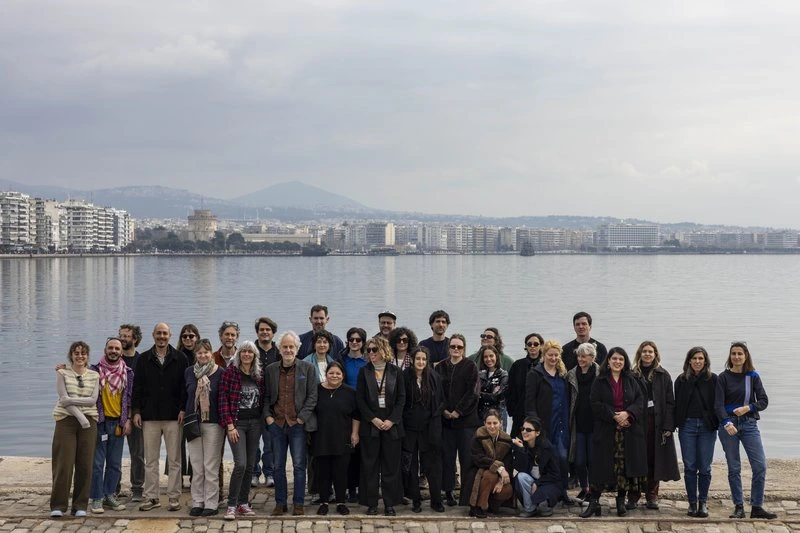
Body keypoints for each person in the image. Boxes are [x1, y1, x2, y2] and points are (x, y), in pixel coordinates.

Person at [580, 347, 647, 518]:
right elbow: (594, 403)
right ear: (608, 361)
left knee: (623, 468)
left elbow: (640, 401)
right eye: (614, 358)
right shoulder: (600, 381)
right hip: (605, 431)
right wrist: (613, 416)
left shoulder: (632, 380)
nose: (617, 362)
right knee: (600, 468)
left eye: (621, 359)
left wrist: (628, 414)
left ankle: (620, 501)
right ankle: (594, 503)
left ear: (624, 362)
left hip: (628, 431)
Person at [714, 342, 776, 520]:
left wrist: (748, 407)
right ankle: (739, 506)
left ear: (746, 356)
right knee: (734, 467)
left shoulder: (753, 376)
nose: (736, 357)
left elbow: (763, 401)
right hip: (728, 426)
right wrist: (726, 422)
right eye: (733, 354)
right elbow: (718, 405)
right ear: (730, 356)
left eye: (740, 354)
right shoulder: (723, 377)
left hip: (749, 424)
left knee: (760, 466)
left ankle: (757, 506)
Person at [132, 323, 188, 512]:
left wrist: (182, 409)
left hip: (174, 416)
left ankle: (174, 497)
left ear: (170, 335)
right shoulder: (143, 359)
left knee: (174, 460)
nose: (161, 337)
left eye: (165, 333)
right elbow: (137, 387)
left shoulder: (180, 358)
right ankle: (151, 496)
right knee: (151, 460)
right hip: (150, 416)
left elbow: (184, 388)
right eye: (158, 333)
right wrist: (137, 411)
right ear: (153, 335)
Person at [264, 331, 319, 517]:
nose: (288, 350)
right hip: (277, 424)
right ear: (279, 349)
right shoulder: (271, 369)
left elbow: (313, 395)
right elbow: (265, 396)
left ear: (297, 348)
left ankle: (298, 503)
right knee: (278, 465)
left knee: (298, 465)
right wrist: (268, 418)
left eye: (291, 347)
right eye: (285, 347)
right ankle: (280, 504)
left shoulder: (307, 368)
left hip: (298, 425)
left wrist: (302, 417)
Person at [356, 336, 406, 516]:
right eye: (368, 350)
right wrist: (373, 419)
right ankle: (372, 504)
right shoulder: (364, 371)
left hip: (391, 425)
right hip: (371, 425)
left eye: (374, 350)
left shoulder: (396, 372)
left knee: (391, 466)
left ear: (383, 350)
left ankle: (390, 503)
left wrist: (392, 420)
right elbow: (360, 399)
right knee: (370, 466)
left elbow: (402, 399)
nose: (370, 353)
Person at [628, 341, 680, 510]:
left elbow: (670, 402)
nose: (648, 354)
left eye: (651, 351)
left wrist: (668, 426)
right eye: (645, 351)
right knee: (636, 458)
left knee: (654, 458)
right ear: (639, 354)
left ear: (656, 354)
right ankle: (633, 495)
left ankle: (652, 494)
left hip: (656, 423)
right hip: (637, 422)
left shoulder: (663, 375)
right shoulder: (632, 374)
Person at [50, 341, 100, 518]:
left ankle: (80, 505)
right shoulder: (62, 373)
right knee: (63, 463)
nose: (80, 356)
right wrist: (80, 417)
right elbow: (63, 399)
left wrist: (72, 401)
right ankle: (58, 505)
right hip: (66, 420)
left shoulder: (95, 375)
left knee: (85, 465)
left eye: (83, 353)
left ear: (87, 356)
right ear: (71, 355)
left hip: (90, 421)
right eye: (76, 353)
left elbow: (93, 400)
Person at [219, 341, 265, 520]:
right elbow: (223, 400)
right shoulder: (231, 373)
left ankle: (243, 503)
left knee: (250, 465)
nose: (247, 354)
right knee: (240, 464)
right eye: (244, 351)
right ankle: (231, 505)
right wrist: (229, 425)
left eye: (250, 352)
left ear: (254, 356)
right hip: (237, 425)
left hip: (255, 424)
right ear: (239, 354)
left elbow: (263, 399)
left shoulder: (258, 375)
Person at [524, 340, 573, 504]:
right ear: (543, 355)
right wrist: (534, 426)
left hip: (561, 424)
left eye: (556, 355)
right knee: (547, 460)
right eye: (550, 355)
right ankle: (546, 493)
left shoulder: (562, 375)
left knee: (562, 458)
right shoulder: (535, 374)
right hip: (544, 425)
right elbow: (529, 402)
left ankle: (563, 492)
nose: (553, 358)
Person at [89, 337, 134, 514]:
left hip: (118, 423)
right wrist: (62, 370)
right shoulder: (94, 371)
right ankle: (97, 498)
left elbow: (129, 398)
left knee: (115, 464)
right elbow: (77, 375)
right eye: (110, 348)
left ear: (121, 352)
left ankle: (109, 495)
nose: (113, 351)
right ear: (105, 349)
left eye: (117, 348)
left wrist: (127, 419)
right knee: (97, 463)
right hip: (100, 422)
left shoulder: (128, 372)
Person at [436, 333, 479, 507]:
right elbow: (436, 391)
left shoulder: (470, 366)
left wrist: (458, 411)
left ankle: (467, 493)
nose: (456, 349)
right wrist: (445, 410)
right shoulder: (440, 367)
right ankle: (448, 492)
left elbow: (473, 393)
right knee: (447, 458)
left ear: (464, 348)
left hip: (466, 422)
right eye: (453, 346)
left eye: (459, 347)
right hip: (446, 422)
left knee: (466, 458)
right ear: (449, 348)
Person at [311, 361, 359, 516]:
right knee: (323, 472)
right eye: (331, 373)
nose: (334, 376)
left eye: (338, 373)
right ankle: (324, 501)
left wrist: (355, 433)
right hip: (322, 437)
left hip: (343, 437)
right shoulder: (317, 390)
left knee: (341, 472)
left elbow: (356, 415)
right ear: (326, 374)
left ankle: (340, 502)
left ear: (343, 375)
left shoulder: (350, 392)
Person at [674, 346, 717, 518]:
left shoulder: (713, 379)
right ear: (689, 361)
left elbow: (718, 402)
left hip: (707, 427)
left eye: (700, 358)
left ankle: (703, 502)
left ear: (705, 361)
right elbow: (676, 403)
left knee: (705, 467)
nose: (697, 361)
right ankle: (692, 503)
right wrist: (674, 424)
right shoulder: (681, 380)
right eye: (694, 358)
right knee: (690, 466)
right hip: (688, 426)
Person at [184, 338, 224, 517]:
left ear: (211, 353)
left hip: (214, 423)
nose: (203, 355)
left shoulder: (220, 373)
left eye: (206, 352)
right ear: (196, 355)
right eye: (199, 352)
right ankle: (197, 501)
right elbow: (184, 395)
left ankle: (211, 502)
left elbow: (224, 399)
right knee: (197, 465)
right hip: (193, 422)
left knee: (210, 465)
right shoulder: (188, 372)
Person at [402, 346, 445, 513]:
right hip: (410, 428)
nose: (420, 362)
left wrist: (434, 423)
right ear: (412, 360)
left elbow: (440, 401)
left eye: (423, 359)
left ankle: (436, 500)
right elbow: (401, 401)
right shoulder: (404, 376)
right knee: (411, 465)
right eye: (417, 358)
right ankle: (416, 500)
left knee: (432, 465)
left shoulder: (433, 377)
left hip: (429, 428)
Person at [460, 409, 513, 518]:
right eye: (489, 423)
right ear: (484, 424)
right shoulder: (478, 437)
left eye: (495, 423)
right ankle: (478, 506)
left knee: (507, 490)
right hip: (478, 472)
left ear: (501, 423)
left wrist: (501, 481)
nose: (492, 426)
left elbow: (508, 462)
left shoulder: (506, 440)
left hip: (497, 476)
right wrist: (499, 468)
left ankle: (493, 505)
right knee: (490, 475)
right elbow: (478, 458)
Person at [566, 342, 599, 502]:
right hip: (577, 423)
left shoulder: (600, 373)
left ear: (592, 357)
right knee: (579, 460)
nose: (580, 359)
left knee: (593, 460)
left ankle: (592, 490)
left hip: (595, 423)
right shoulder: (571, 374)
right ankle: (584, 487)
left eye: (583, 356)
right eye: (578, 356)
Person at [513, 417, 562, 517]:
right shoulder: (523, 446)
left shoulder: (547, 448)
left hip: (547, 483)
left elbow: (555, 475)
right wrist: (522, 450)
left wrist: (538, 483)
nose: (524, 432)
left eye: (529, 430)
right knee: (521, 476)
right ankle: (530, 508)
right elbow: (520, 469)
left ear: (537, 433)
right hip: (532, 481)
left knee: (544, 508)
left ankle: (543, 504)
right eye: (523, 429)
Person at [118, 323, 144, 502]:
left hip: (135, 413)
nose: (123, 339)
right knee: (114, 453)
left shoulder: (142, 361)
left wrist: (137, 412)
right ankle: (113, 487)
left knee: (137, 453)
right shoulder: (113, 358)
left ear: (135, 339)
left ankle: (137, 488)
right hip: (114, 412)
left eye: (127, 336)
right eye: (121, 335)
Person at [341, 326, 368, 503]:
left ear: (363, 343)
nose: (355, 343)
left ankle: (362, 487)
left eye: (358, 340)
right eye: (352, 339)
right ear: (348, 341)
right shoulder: (342, 360)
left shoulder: (368, 362)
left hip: (364, 410)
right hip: (346, 409)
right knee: (348, 449)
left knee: (363, 452)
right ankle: (349, 488)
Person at [252, 317, 279, 489]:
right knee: (254, 443)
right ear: (257, 332)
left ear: (273, 332)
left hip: (273, 406)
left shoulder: (279, 352)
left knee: (270, 443)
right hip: (253, 405)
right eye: (261, 329)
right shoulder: (250, 351)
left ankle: (269, 473)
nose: (264, 332)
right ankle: (254, 473)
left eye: (268, 329)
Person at [175, 324, 200, 484]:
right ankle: (177, 476)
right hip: (179, 406)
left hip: (196, 405)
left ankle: (193, 475)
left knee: (195, 442)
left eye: (191, 336)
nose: (188, 339)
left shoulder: (201, 356)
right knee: (178, 443)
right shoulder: (176, 356)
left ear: (197, 337)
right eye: (184, 336)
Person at [507, 333, 543, 438]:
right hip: (519, 412)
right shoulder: (517, 365)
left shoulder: (544, 365)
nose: (532, 346)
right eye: (529, 344)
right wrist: (512, 410)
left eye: (536, 344)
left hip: (540, 411)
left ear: (540, 346)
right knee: (517, 442)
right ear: (526, 346)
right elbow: (511, 389)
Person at [477, 345, 509, 431]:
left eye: (491, 356)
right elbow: (474, 394)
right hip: (481, 416)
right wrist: (491, 392)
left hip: (498, 416)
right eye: (485, 357)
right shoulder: (480, 374)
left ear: (496, 356)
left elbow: (498, 397)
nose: (488, 359)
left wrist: (480, 394)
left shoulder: (503, 375)